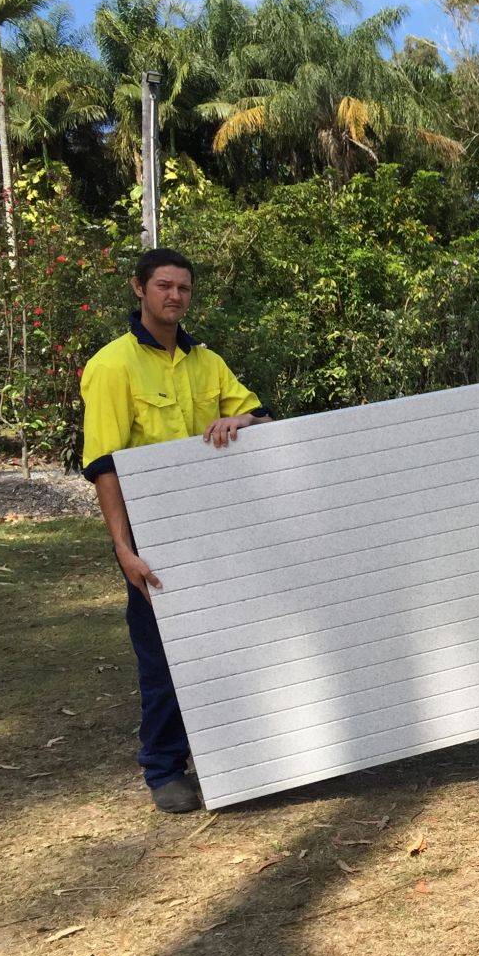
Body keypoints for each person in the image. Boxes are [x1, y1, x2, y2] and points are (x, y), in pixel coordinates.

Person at [79, 248, 273, 813]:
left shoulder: (206, 362)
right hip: (153, 534)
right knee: (163, 654)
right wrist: (123, 549)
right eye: (164, 286)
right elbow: (104, 465)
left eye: (184, 288)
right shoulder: (112, 366)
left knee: (228, 641)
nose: (175, 297)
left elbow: (260, 418)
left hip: (218, 531)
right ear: (139, 289)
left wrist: (242, 420)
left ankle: (233, 753)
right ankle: (164, 767)